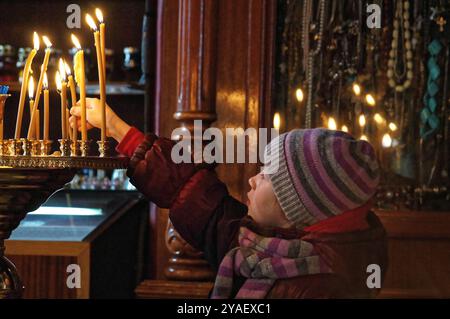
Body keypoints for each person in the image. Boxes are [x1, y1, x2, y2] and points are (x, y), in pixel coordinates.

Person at [70, 98, 387, 299]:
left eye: (266, 175)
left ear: (296, 208)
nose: (252, 179)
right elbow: (194, 196)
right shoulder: (269, 246)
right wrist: (117, 128)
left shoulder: (318, 287)